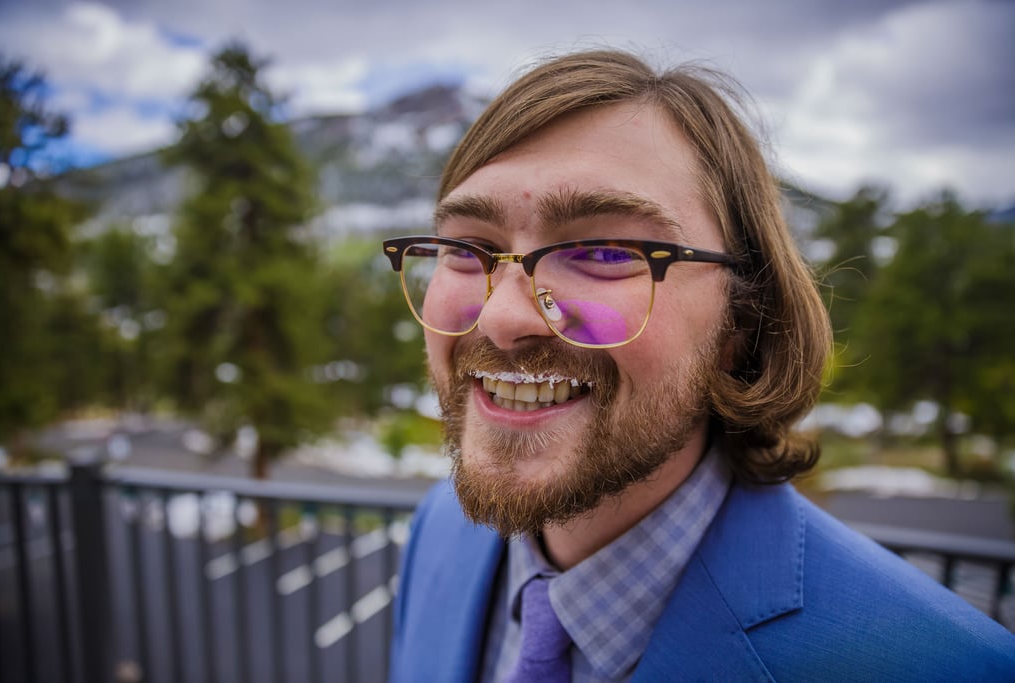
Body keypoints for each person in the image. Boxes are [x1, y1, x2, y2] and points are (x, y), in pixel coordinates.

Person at [383, 49, 1015, 682]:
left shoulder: (938, 666)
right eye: (468, 249)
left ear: (740, 320)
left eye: (605, 252)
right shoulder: (439, 533)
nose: (501, 318)